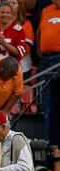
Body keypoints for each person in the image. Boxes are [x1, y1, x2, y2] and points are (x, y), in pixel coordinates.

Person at [36, 0, 60, 140]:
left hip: (59, 59)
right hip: (45, 60)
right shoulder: (46, 10)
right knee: (44, 103)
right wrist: (40, 52)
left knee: (56, 102)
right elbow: (40, 31)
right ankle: (46, 142)